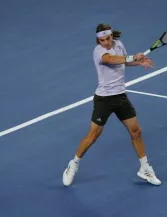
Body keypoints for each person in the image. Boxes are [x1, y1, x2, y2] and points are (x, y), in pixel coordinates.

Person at [62, 23, 161, 186]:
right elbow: (111, 60)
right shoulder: (98, 51)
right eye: (102, 40)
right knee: (93, 136)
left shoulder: (119, 45)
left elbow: (123, 62)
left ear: (111, 36)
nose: (106, 43)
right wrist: (130, 57)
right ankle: (73, 164)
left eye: (108, 39)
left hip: (120, 96)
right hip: (104, 99)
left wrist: (137, 61)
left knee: (136, 131)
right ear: (98, 40)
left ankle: (145, 168)